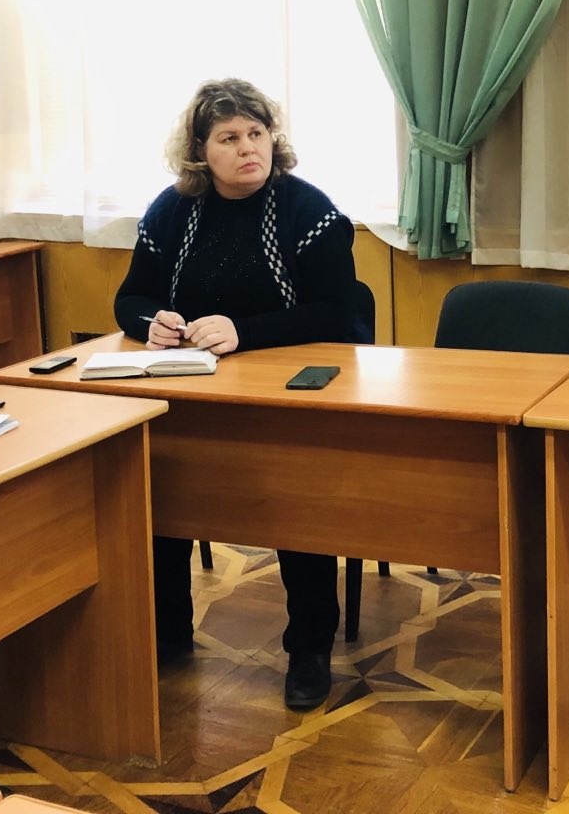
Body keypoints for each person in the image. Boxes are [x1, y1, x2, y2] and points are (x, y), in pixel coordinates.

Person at [114, 78, 366, 712]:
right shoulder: (172, 210)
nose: (248, 148)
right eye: (229, 138)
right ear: (200, 151)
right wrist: (152, 323)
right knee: (159, 483)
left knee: (294, 499)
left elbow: (339, 313)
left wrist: (243, 333)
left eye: (257, 133)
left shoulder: (307, 209)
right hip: (195, 392)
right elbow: (130, 298)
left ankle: (309, 647)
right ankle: (166, 631)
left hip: (293, 394)